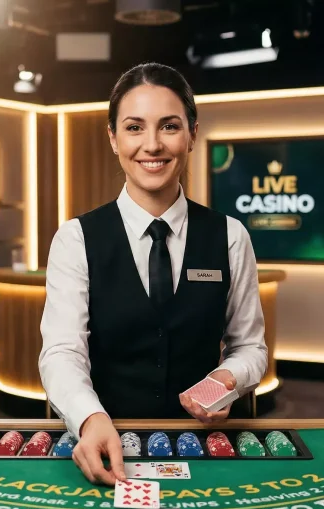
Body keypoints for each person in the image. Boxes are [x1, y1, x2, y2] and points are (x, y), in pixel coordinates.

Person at [38, 62, 268, 486]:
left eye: (169, 126)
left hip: (201, 446)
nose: (152, 145)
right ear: (113, 138)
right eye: (134, 127)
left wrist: (228, 378)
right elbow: (62, 352)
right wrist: (89, 418)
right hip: (104, 440)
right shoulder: (75, 238)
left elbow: (250, 347)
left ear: (192, 134)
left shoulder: (231, 236)